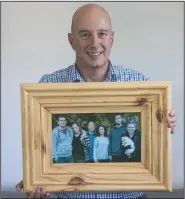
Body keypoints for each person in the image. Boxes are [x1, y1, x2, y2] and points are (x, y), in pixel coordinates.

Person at [15, 3, 176, 199]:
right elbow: (40, 150)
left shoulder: (140, 84)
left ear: (112, 38)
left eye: (102, 33)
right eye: (85, 34)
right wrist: (36, 177)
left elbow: (152, 143)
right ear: (71, 40)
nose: (94, 42)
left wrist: (164, 123)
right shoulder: (47, 87)